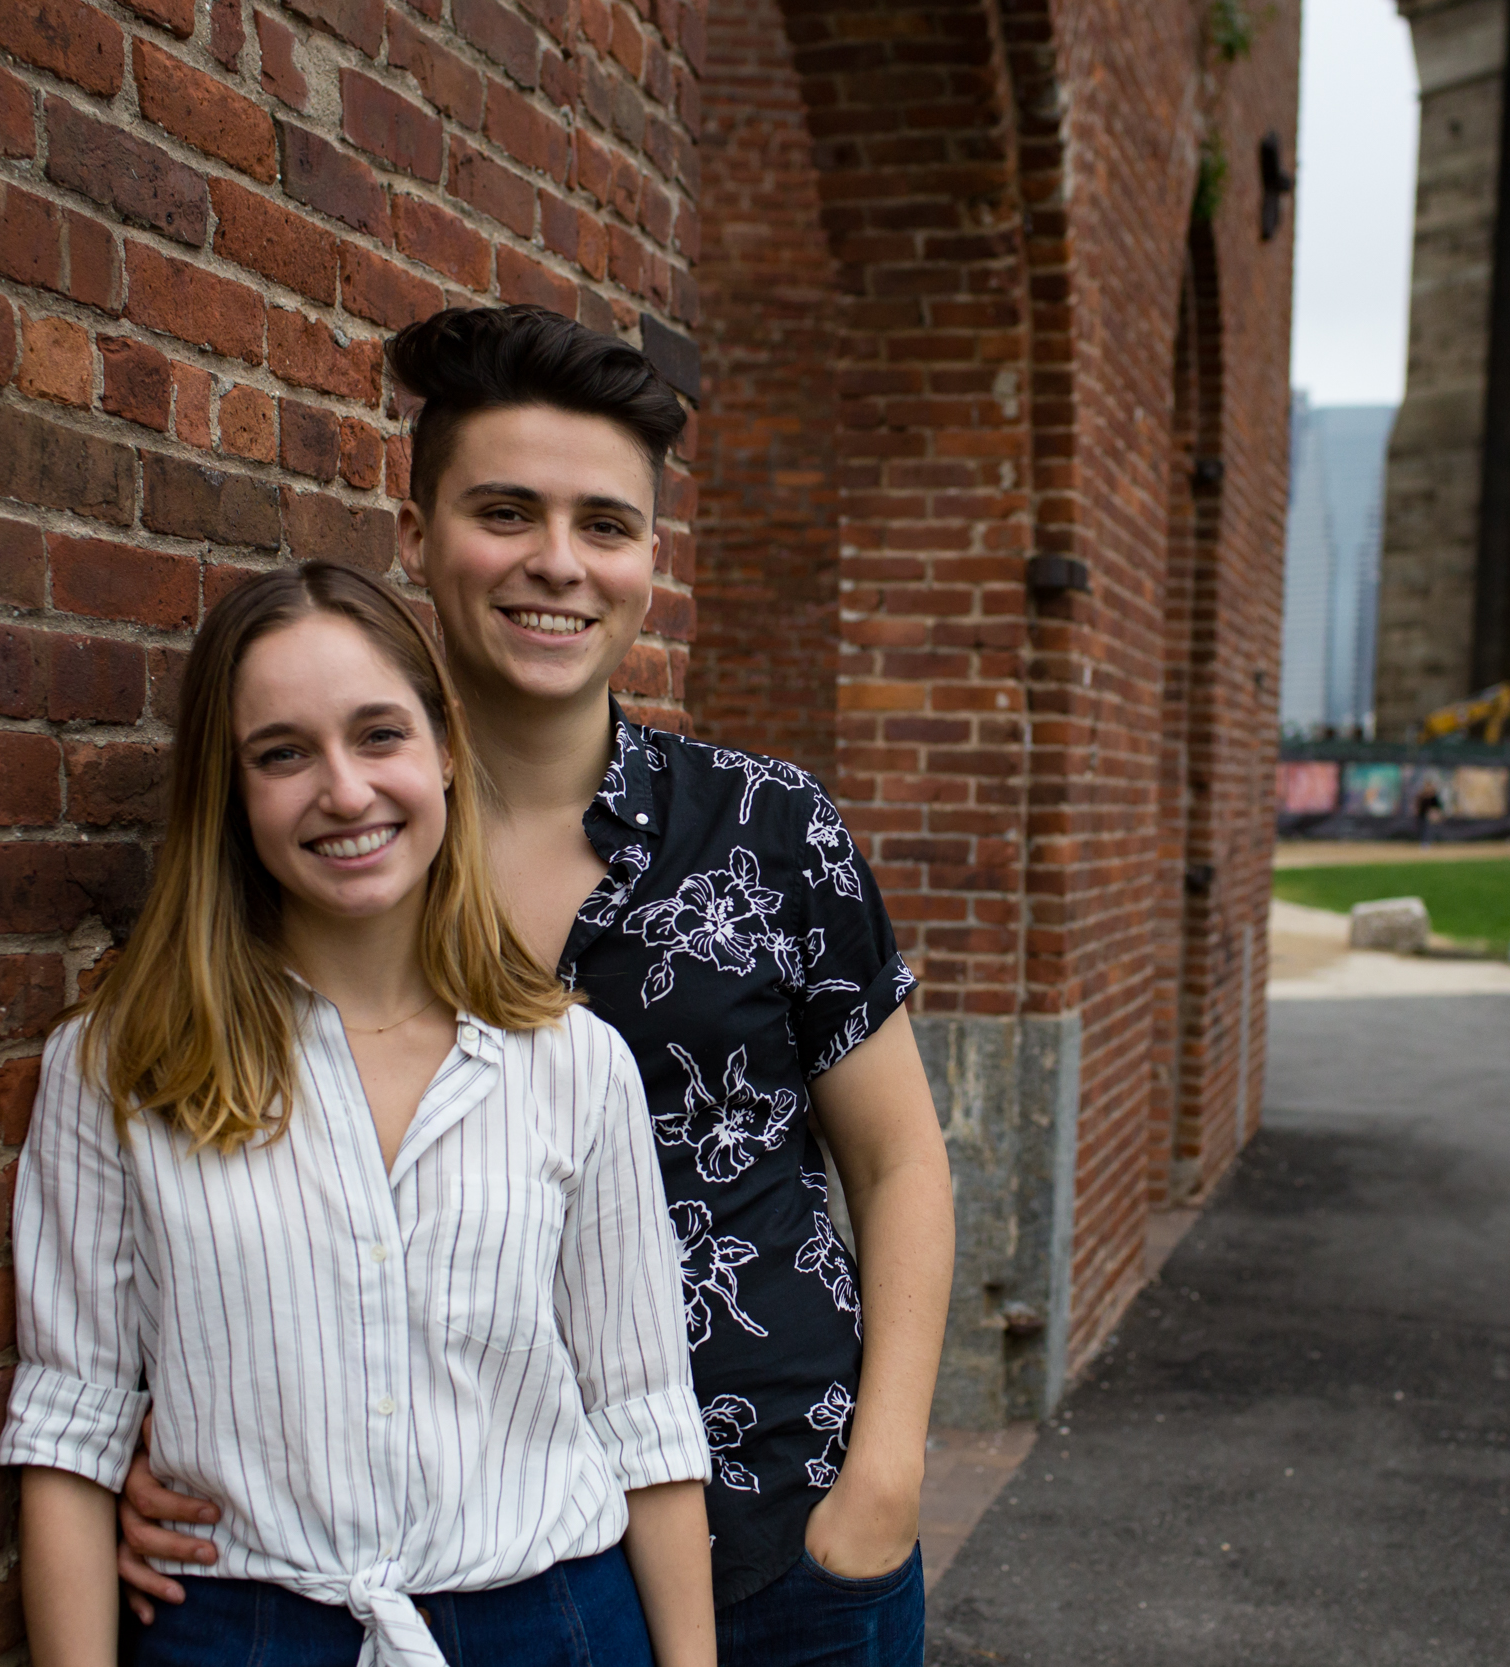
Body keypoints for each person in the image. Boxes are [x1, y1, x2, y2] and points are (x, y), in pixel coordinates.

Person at [118, 307, 956, 1665]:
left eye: (605, 525)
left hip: (785, 1531)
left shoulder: (772, 829)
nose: (557, 563)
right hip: (484, 1573)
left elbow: (900, 1155)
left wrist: (888, 1471)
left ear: (648, 559)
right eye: (506, 511)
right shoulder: (328, 853)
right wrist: (172, 1433)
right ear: (416, 534)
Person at [0, 562, 716, 1667]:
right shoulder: (117, 1066)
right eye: (281, 752)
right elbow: (68, 1430)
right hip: (238, 1630)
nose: (343, 790)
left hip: (553, 1621)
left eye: (378, 734)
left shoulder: (576, 1065)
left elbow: (646, 1420)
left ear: (442, 749)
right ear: (230, 793)